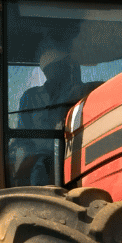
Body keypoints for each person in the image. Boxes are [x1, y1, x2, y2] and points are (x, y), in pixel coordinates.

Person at [10, 45, 86, 186]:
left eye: (71, 65)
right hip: (41, 160)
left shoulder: (80, 93)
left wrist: (77, 86)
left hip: (74, 153)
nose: (69, 68)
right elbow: (23, 136)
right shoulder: (31, 97)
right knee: (40, 170)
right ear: (49, 70)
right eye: (63, 65)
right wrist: (30, 158)